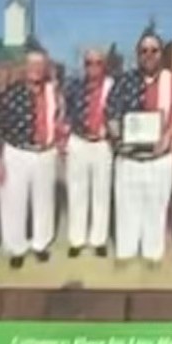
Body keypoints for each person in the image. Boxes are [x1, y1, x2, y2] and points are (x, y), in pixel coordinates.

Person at [107, 29, 172, 267]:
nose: (148, 55)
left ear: (161, 53)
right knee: (126, 206)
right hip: (129, 158)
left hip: (160, 159)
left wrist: (168, 135)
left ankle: (152, 253)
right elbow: (112, 114)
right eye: (143, 50)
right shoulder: (123, 81)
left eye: (154, 50)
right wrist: (118, 132)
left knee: (156, 207)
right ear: (137, 54)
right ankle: (125, 252)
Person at [0, 42, 65, 270]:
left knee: (44, 200)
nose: (35, 68)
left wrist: (61, 144)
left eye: (39, 64)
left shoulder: (54, 93)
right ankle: (16, 247)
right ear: (24, 67)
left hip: (46, 152)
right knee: (14, 201)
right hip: (17, 152)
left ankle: (40, 244)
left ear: (45, 67)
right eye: (31, 64)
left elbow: (61, 120)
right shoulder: (10, 93)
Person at [62, 43, 116, 258]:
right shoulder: (74, 86)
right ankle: (77, 239)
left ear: (104, 65)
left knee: (101, 193)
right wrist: (63, 141)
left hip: (102, 144)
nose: (93, 66)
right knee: (77, 192)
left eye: (97, 62)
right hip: (79, 141)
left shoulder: (113, 87)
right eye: (89, 63)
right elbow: (64, 113)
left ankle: (98, 240)